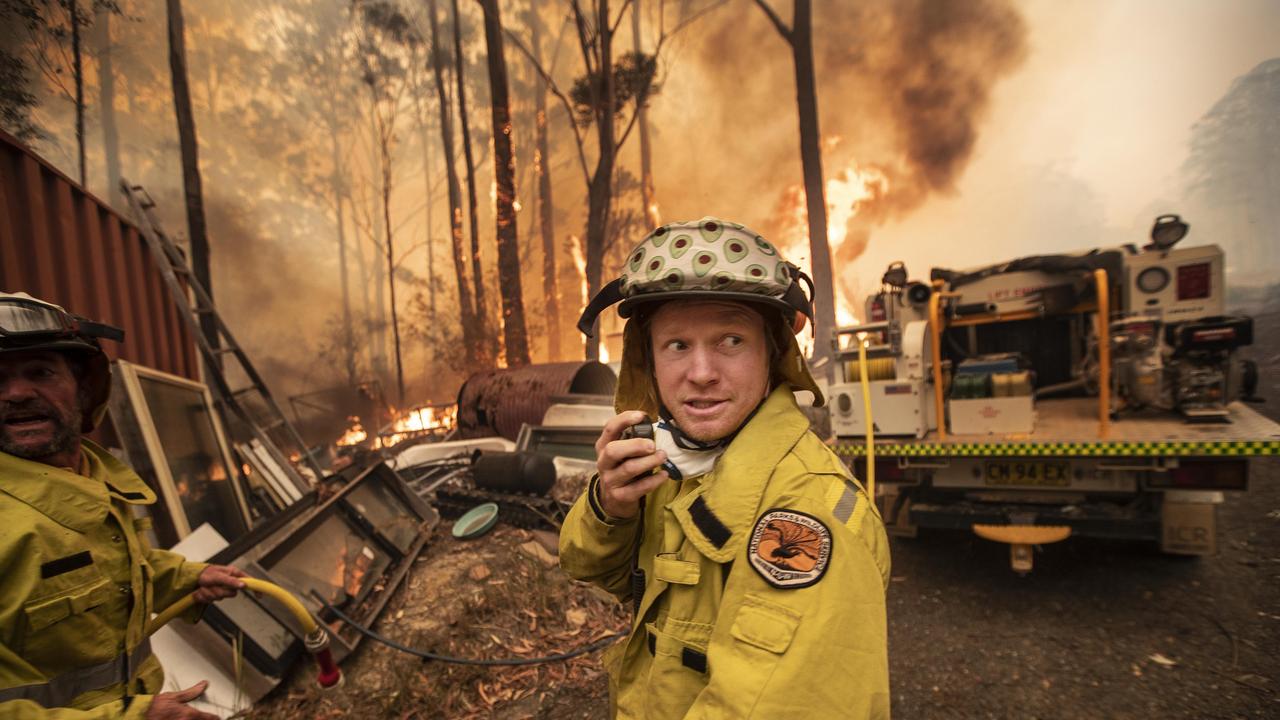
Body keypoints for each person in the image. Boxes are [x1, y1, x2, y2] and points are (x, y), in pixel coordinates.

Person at [560, 218, 891, 718]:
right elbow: (588, 567)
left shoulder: (806, 514)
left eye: (730, 340)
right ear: (647, 361)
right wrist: (611, 506)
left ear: (773, 355)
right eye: (677, 345)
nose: (701, 374)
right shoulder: (676, 462)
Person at [0, 292, 247, 719]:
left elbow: (116, 570)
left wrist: (190, 578)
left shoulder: (95, 480)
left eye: (40, 371)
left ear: (84, 388)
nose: (18, 393)